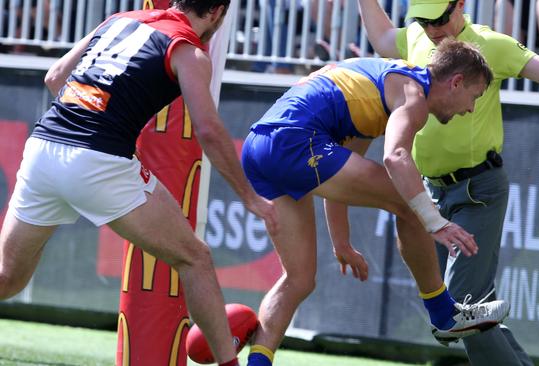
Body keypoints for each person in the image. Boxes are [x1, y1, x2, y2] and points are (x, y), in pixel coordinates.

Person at [0, 1, 278, 366]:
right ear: (217, 13)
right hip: (99, 160)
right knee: (195, 258)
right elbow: (209, 130)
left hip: (44, 149)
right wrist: (252, 199)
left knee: (8, 279)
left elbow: (54, 77)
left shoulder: (118, 19)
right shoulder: (189, 50)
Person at [357, 0, 539, 365]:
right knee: (467, 309)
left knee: (462, 306)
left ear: (460, 5)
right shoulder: (416, 35)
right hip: (430, 191)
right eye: (424, 19)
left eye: (440, 18)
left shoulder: (488, 43)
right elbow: (384, 37)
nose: (433, 28)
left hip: (477, 191)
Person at [241, 39, 510, 366]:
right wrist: (434, 221)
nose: (470, 108)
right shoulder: (414, 94)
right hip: (293, 141)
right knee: (410, 200)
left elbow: (341, 168)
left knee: (298, 280)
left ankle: (257, 362)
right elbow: (396, 158)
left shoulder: (376, 85)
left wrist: (341, 241)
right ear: (455, 82)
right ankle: (444, 313)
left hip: (259, 147)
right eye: (474, 96)